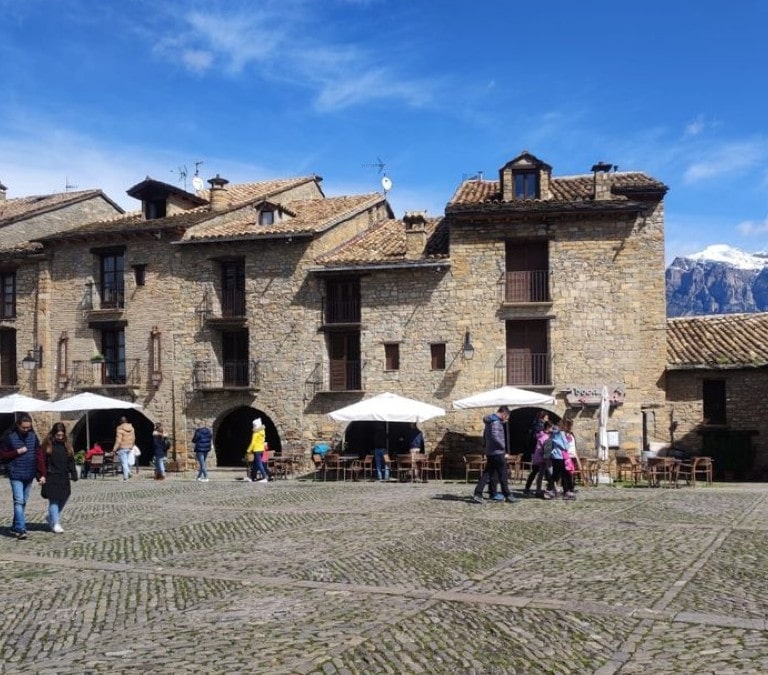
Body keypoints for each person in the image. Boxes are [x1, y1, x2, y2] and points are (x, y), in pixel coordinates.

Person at [0, 413, 45, 539]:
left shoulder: (33, 437)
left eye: (28, 428)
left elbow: (39, 456)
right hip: (15, 474)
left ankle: (15, 526)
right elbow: (2, 455)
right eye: (24, 427)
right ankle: (21, 528)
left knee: (23, 502)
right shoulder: (10, 437)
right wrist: (16, 452)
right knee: (19, 501)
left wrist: (42, 474)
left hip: (29, 474)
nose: (26, 430)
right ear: (18, 425)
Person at [472, 406, 517, 504]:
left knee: (488, 473)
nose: (507, 419)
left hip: (491, 451)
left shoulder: (490, 422)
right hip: (498, 452)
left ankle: (479, 493)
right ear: (504, 414)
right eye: (507, 417)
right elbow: (496, 437)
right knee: (503, 474)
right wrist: (503, 448)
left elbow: (487, 437)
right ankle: (507, 494)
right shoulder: (495, 423)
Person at [41, 422, 79, 533]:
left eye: (62, 435)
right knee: (54, 500)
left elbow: (71, 460)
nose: (60, 437)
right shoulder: (47, 445)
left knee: (65, 496)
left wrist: (73, 472)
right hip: (51, 476)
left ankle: (51, 516)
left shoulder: (67, 445)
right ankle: (56, 523)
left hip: (63, 476)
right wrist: (41, 475)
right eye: (58, 435)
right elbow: (42, 461)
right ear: (54, 434)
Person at [524, 419, 553, 498]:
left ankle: (538, 489)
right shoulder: (544, 437)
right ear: (547, 428)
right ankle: (540, 490)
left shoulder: (541, 435)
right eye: (551, 428)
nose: (552, 429)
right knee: (545, 474)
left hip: (539, 457)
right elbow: (544, 448)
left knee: (540, 474)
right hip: (542, 458)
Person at [246, 418, 271, 483]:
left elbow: (253, 443)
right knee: (255, 464)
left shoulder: (256, 433)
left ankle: (265, 477)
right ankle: (252, 477)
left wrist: (248, 450)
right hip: (261, 449)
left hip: (257, 450)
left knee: (259, 464)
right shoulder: (262, 432)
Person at [113, 416, 136, 481]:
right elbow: (134, 438)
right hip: (129, 447)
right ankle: (128, 473)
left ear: (120, 421)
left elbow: (118, 440)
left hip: (122, 447)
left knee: (124, 463)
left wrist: (114, 449)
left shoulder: (119, 429)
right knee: (127, 462)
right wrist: (132, 445)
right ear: (126, 421)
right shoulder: (132, 428)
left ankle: (126, 476)